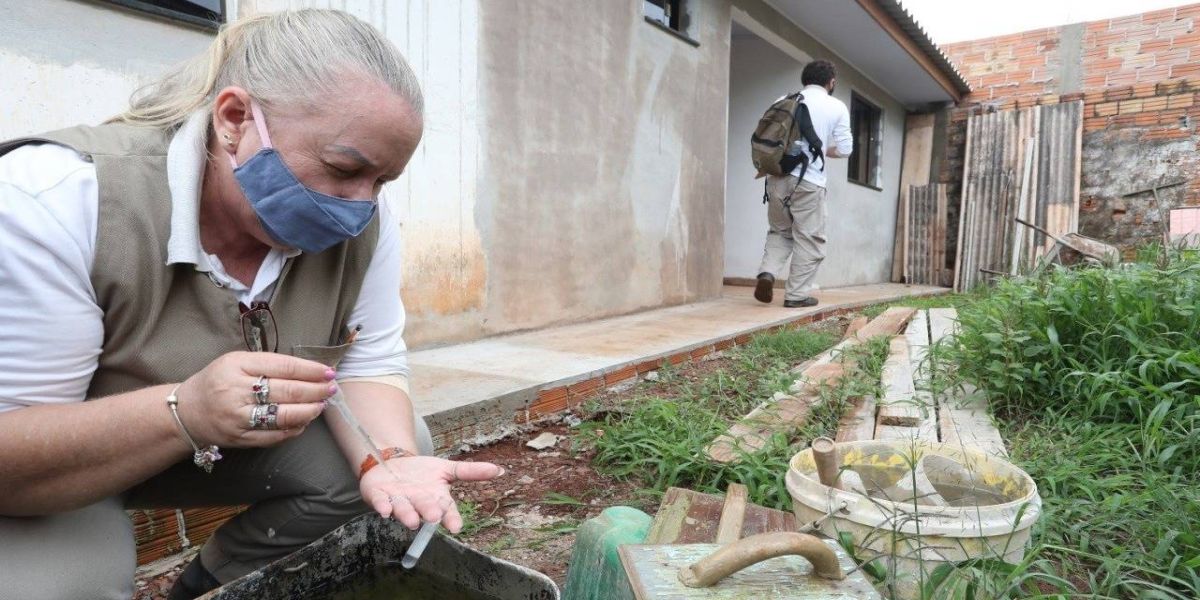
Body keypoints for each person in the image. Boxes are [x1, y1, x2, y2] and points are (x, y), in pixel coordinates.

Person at [0, 9, 503, 600]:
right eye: (344, 168)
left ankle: (212, 586)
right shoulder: (55, 201)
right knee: (53, 586)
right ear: (235, 119)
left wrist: (389, 458)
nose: (360, 205)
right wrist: (185, 410)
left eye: (382, 181)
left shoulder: (363, 223)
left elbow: (369, 363)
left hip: (205, 446)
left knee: (384, 459)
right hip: (54, 465)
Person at [754, 59, 853, 308]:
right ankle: (796, 295)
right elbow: (845, 149)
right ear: (831, 82)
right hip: (809, 182)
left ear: (804, 79)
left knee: (780, 231)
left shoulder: (783, 99)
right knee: (810, 239)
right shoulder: (836, 106)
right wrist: (823, 151)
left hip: (776, 177)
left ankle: (767, 273)